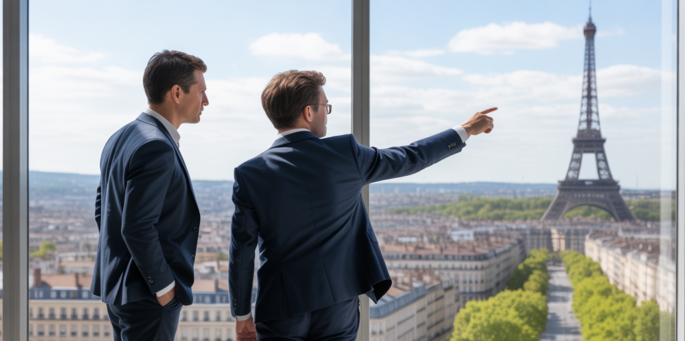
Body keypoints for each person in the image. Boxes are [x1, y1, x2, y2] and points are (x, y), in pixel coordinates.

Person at [229, 70, 496, 340]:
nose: (326, 114)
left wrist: (242, 315)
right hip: (339, 301)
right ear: (308, 112)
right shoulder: (346, 154)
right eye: (326, 107)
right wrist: (465, 130)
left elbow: (241, 251)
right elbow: (411, 156)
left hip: (281, 305)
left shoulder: (249, 173)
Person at [92, 50, 209, 341]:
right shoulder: (156, 145)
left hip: (121, 289)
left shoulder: (121, 137)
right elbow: (136, 226)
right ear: (177, 93)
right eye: (202, 92)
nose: (206, 101)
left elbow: (103, 208)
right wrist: (164, 287)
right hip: (148, 294)